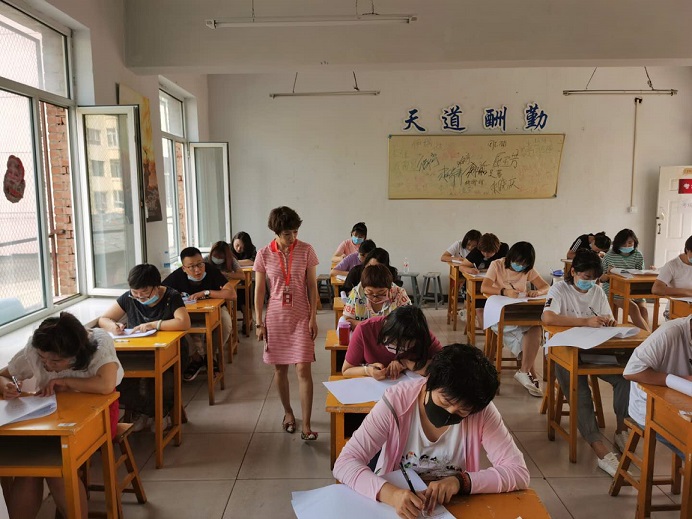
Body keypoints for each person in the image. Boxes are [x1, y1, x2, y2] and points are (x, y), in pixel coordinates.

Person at [333, 344, 529, 519]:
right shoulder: (396, 403)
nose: (450, 413)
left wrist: (460, 482)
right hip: (396, 504)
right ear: (429, 382)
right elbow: (345, 463)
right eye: (445, 401)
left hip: (450, 507)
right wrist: (391, 494)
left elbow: (518, 472)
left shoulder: (480, 412)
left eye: (462, 411)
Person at [0, 312, 123, 519]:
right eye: (43, 359)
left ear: (76, 354)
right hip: (52, 416)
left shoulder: (99, 343)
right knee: (30, 469)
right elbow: (4, 375)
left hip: (98, 414)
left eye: (56, 361)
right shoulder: (38, 347)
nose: (48, 365)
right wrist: (6, 386)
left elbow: (106, 384)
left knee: (59, 471)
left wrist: (65, 382)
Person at [542, 249, 629, 477]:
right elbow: (547, 317)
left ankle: (622, 430)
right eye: (586, 277)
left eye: (594, 278)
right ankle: (600, 449)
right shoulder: (559, 289)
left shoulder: (597, 291)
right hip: (564, 349)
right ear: (573, 272)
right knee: (579, 390)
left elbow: (607, 317)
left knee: (625, 377)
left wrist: (608, 322)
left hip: (593, 349)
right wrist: (585, 321)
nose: (590, 282)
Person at [99, 264, 191, 431]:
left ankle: (160, 413)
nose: (140, 297)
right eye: (135, 292)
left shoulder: (171, 296)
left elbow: (184, 322)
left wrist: (154, 324)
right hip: (137, 353)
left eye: (145, 292)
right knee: (120, 378)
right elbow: (104, 319)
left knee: (163, 381)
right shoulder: (128, 298)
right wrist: (113, 326)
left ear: (157, 286)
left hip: (170, 352)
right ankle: (145, 412)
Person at [254, 206, 319, 440]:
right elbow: (259, 290)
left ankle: (307, 425)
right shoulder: (263, 254)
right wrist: (258, 322)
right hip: (276, 317)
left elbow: (312, 286)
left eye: (295, 232)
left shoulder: (306, 250)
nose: (292, 237)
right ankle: (288, 412)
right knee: (280, 369)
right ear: (276, 232)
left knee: (303, 368)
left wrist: (313, 317)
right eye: (287, 234)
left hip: (301, 315)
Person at [481, 241, 549, 397]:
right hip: (500, 314)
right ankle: (529, 374)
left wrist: (537, 293)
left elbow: (545, 286)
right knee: (527, 338)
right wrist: (504, 291)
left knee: (536, 328)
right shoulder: (497, 265)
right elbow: (484, 287)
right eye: (518, 262)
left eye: (524, 264)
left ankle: (524, 371)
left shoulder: (527, 269)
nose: (520, 266)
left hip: (521, 312)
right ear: (510, 257)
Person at [162, 247, 237, 381]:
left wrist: (206, 293)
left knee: (225, 323)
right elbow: (161, 293)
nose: (197, 270)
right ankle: (196, 358)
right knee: (178, 325)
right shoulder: (177, 276)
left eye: (200, 264)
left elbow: (232, 294)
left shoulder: (211, 271)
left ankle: (209, 356)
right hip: (188, 313)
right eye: (191, 267)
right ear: (184, 268)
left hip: (215, 310)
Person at [623, 315, 692, 458]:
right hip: (649, 407)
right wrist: (679, 380)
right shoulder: (671, 332)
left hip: (683, 402)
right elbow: (631, 371)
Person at [341, 306, 443, 379]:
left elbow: (443, 366)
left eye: (406, 347)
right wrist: (367, 370)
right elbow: (346, 370)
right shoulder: (365, 329)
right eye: (393, 343)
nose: (398, 351)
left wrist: (406, 363)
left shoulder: (422, 335)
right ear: (386, 325)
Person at [600, 228, 649, 330]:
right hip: (614, 290)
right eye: (623, 243)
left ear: (634, 242)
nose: (627, 246)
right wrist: (608, 273)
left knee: (643, 310)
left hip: (634, 289)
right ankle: (649, 336)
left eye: (630, 243)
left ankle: (643, 334)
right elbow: (601, 279)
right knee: (633, 308)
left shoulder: (638, 255)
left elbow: (640, 273)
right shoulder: (609, 255)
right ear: (617, 243)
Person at [458, 233, 509, 329]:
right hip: (479, 285)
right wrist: (470, 270)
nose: (486, 255)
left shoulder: (504, 248)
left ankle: (496, 334)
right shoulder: (476, 251)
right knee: (480, 309)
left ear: (496, 249)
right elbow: (462, 266)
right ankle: (487, 334)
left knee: (500, 309)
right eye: (483, 252)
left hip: (498, 285)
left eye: (489, 252)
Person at [343, 263, 411, 329]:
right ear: (363, 288)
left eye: (381, 293)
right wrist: (371, 326)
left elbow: (409, 322)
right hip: (362, 334)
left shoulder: (399, 294)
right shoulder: (356, 292)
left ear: (390, 288)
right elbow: (348, 321)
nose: (375, 298)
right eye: (370, 293)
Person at [652, 234, 692, 318]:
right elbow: (656, 289)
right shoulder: (672, 265)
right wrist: (687, 292)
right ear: (687, 250)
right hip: (677, 307)